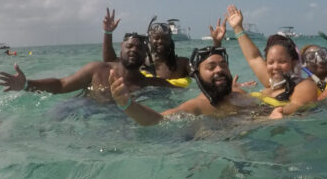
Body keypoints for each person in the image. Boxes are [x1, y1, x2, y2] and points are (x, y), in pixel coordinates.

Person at [109, 45, 271, 124]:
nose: (219, 70)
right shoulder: (197, 107)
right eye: (211, 67)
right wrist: (127, 104)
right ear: (198, 75)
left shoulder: (238, 93)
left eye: (223, 65)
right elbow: (157, 120)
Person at [0, 32, 172, 99]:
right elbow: (61, 85)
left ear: (146, 56)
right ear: (121, 51)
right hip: (80, 111)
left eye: (140, 48)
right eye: (129, 46)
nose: (134, 50)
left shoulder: (152, 85)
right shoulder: (97, 70)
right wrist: (27, 84)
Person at [226, 5, 320, 117]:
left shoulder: (305, 86)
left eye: (282, 61)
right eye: (270, 62)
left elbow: (292, 108)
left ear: (294, 63)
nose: (275, 67)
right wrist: (237, 28)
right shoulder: (269, 86)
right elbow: (254, 58)